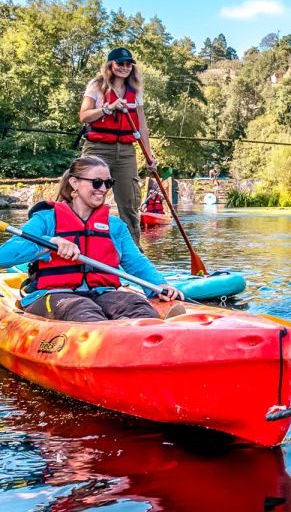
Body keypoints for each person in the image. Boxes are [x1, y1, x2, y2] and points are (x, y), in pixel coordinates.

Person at [0, 155, 183, 321]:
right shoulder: (46, 219)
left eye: (108, 183)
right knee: (82, 308)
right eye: (96, 183)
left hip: (102, 293)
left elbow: (136, 262)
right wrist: (50, 242)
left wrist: (158, 285)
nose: (103, 189)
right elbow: (4, 256)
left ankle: (134, 333)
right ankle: (111, 335)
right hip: (54, 295)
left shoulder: (115, 226)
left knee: (137, 306)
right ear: (74, 183)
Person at [79, 47, 157, 246]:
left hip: (126, 152)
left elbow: (142, 127)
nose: (124, 67)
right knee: (89, 198)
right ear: (110, 65)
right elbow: (84, 116)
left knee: (130, 204)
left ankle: (133, 253)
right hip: (97, 149)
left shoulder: (135, 90)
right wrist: (107, 109)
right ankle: (85, 247)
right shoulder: (96, 85)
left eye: (128, 64)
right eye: (120, 63)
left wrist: (149, 156)